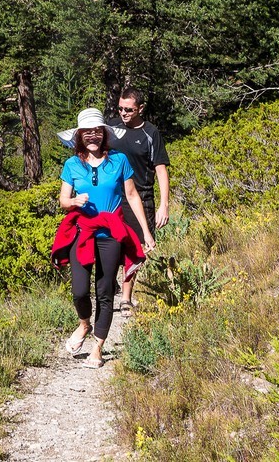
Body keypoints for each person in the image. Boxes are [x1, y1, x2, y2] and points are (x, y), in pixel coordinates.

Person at [51, 107, 155, 368]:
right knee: (79, 291)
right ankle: (84, 324)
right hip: (82, 232)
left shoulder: (119, 160)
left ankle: (98, 346)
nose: (93, 136)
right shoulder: (72, 164)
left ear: (105, 134)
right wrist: (74, 200)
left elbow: (131, 196)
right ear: (80, 136)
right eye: (88, 132)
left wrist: (145, 231)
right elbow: (63, 200)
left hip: (110, 233)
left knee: (105, 291)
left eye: (98, 131)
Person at [107, 87, 170, 312]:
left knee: (135, 249)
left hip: (141, 197)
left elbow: (161, 169)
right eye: (120, 108)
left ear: (140, 108)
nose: (123, 113)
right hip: (113, 197)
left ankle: (126, 297)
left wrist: (164, 204)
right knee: (110, 244)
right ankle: (109, 285)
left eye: (129, 110)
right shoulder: (111, 128)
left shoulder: (150, 133)